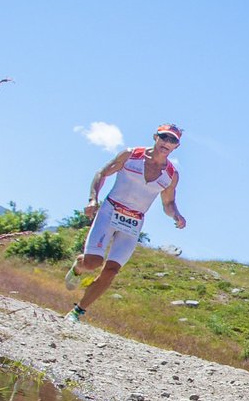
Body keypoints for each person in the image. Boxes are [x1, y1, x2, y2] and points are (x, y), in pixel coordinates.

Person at [65, 124, 188, 322]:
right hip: (110, 211)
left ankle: (77, 312)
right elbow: (102, 173)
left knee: (112, 270)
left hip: (134, 221)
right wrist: (92, 199)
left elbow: (168, 202)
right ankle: (79, 267)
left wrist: (177, 215)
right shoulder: (131, 155)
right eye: (164, 137)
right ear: (155, 137)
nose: (167, 143)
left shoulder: (171, 175)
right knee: (92, 263)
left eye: (173, 140)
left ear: (177, 146)